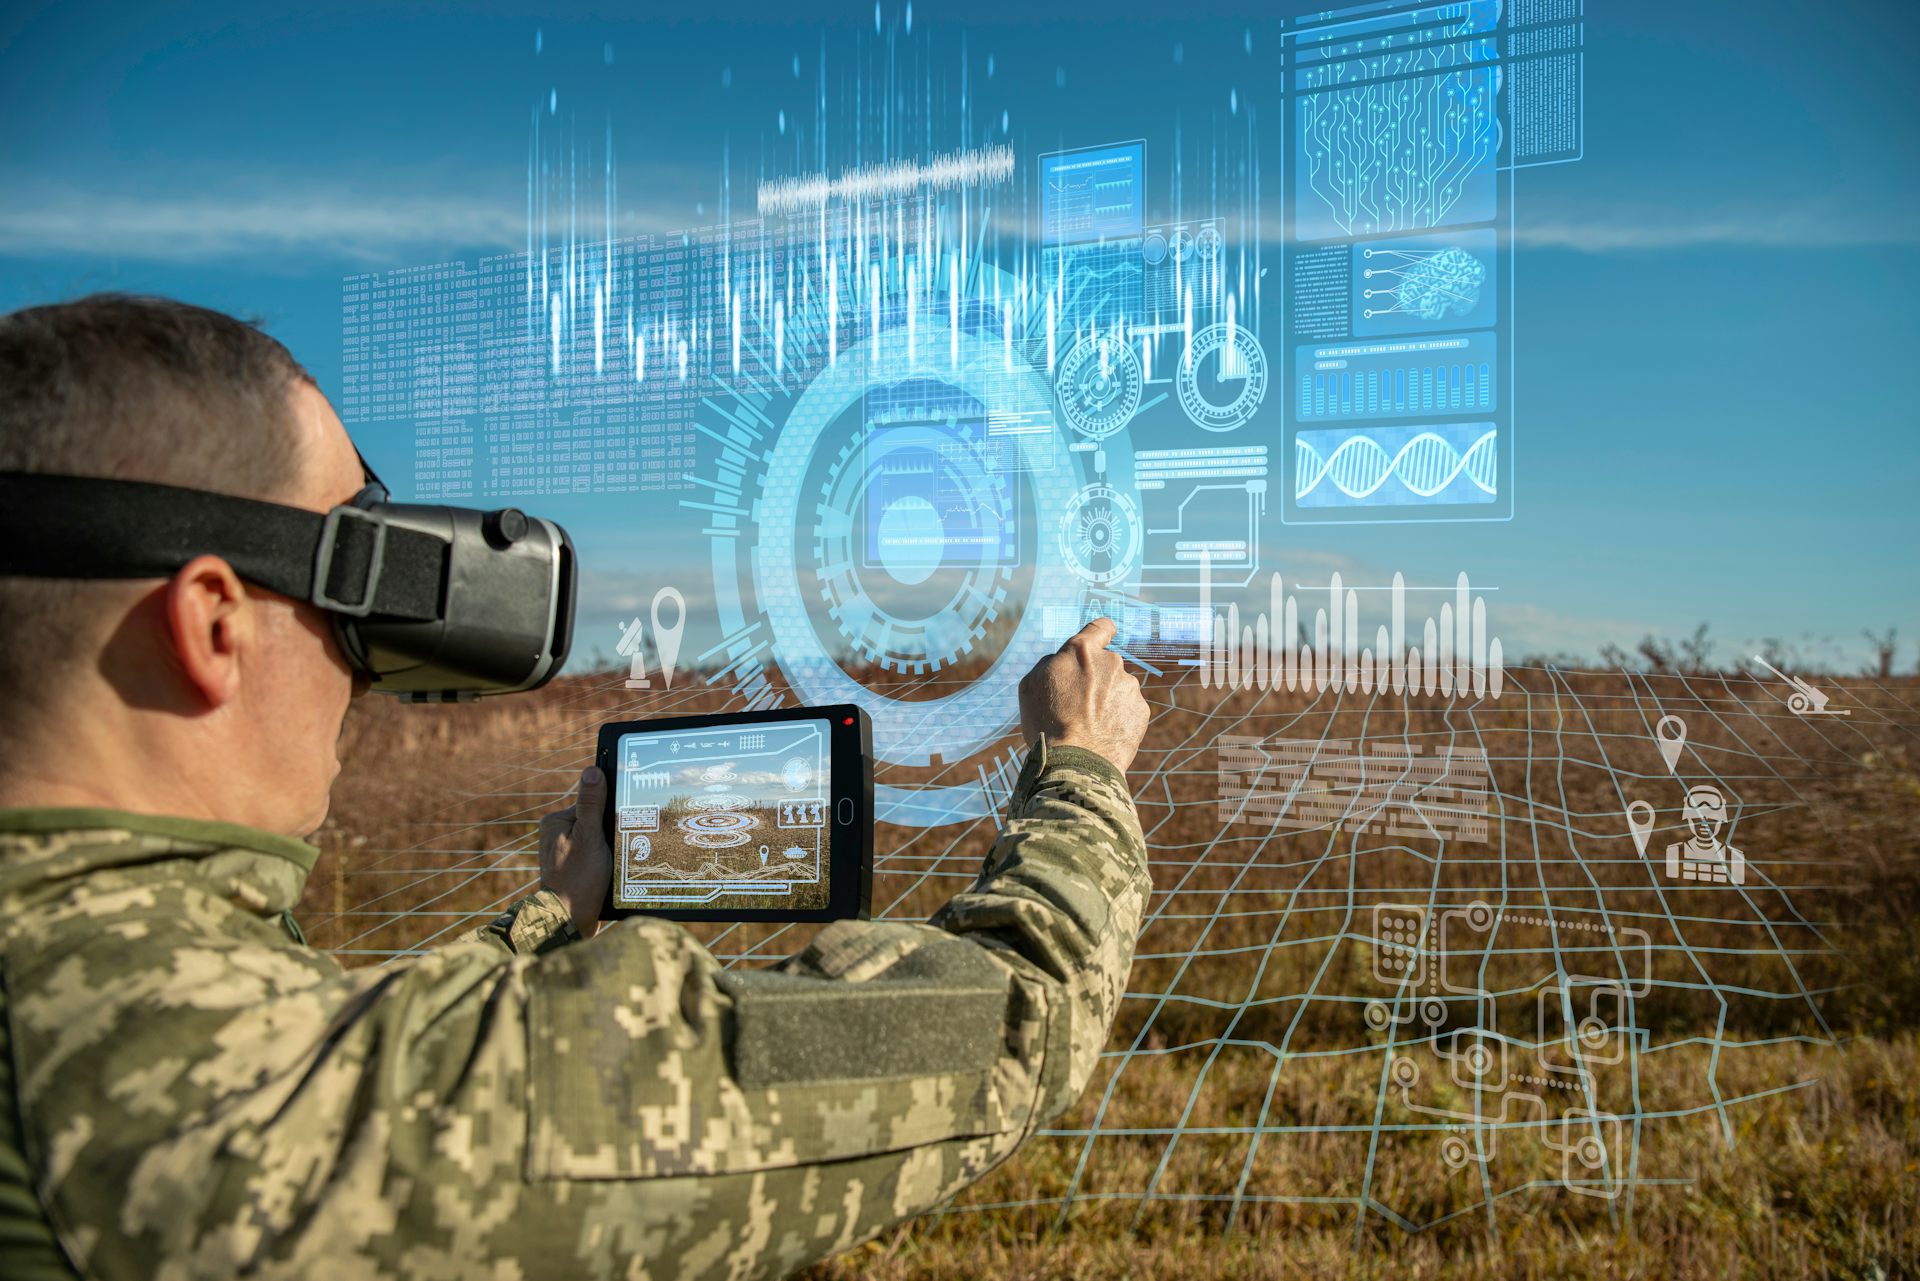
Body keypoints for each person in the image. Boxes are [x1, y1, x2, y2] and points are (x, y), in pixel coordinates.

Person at [0, 295, 1153, 1280]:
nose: (368, 671)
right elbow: (1011, 1019)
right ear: (212, 624)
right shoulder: (203, 1102)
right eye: (355, 584)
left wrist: (557, 917)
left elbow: (347, 1040)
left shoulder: (95, 994)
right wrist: (1082, 768)